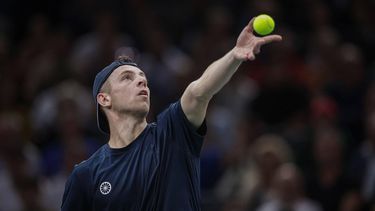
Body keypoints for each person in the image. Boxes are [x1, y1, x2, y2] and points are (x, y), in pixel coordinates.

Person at [61, 17, 282, 210]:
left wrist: (234, 55)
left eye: (143, 78)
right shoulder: (86, 175)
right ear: (104, 99)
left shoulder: (171, 134)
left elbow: (198, 92)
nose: (141, 80)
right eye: (127, 77)